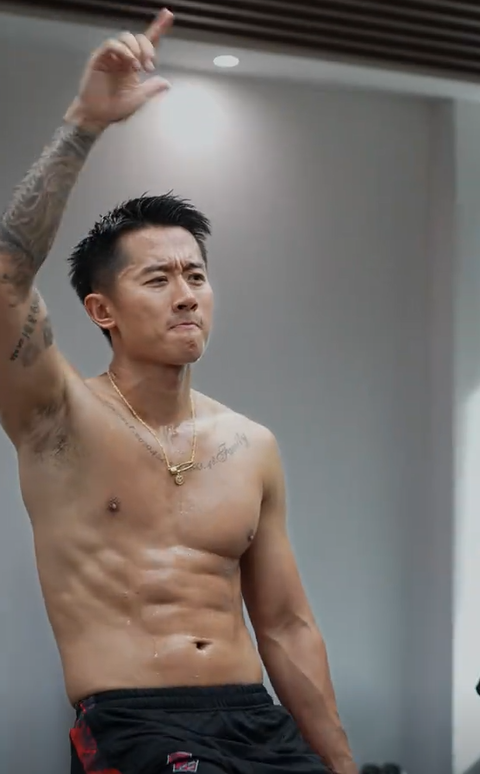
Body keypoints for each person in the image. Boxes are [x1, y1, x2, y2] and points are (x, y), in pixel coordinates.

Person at [0, 8, 357, 774]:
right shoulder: (57, 416)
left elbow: (287, 627)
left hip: (255, 721)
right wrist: (84, 124)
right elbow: (4, 279)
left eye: (196, 275)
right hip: (134, 726)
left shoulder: (248, 445)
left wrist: (343, 765)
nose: (186, 294)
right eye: (157, 279)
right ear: (102, 311)